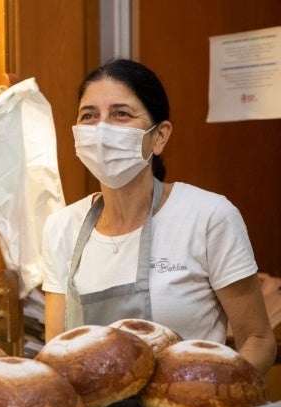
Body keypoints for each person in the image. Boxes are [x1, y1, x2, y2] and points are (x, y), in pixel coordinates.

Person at [40, 58, 276, 374]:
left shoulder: (209, 217)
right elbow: (56, 354)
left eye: (121, 114)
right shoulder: (61, 228)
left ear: (160, 136)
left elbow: (259, 339)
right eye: (89, 116)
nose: (102, 130)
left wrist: (217, 394)